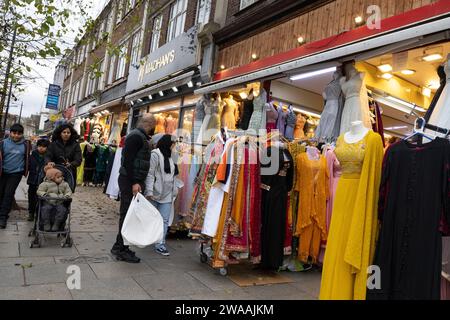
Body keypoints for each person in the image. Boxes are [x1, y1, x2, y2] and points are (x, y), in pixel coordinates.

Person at [111, 114, 156, 263]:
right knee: (127, 215)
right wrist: (135, 182)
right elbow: (128, 162)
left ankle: (120, 245)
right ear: (148, 123)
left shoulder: (139, 136)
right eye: (153, 124)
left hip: (132, 181)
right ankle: (121, 249)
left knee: (130, 215)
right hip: (129, 181)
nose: (154, 127)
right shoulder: (136, 137)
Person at [145, 134, 179, 256]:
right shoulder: (155, 154)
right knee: (150, 218)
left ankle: (160, 244)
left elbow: (174, 175)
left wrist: (175, 191)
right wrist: (149, 191)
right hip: (154, 192)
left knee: (164, 220)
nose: (174, 146)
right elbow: (150, 173)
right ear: (167, 143)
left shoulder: (173, 156)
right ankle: (146, 237)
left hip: (167, 194)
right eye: (173, 143)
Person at [0, 124, 31, 229]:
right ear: (10, 133)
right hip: (2, 172)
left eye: (19, 133)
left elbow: (28, 158)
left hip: (16, 173)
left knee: (8, 194)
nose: (16, 136)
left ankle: (3, 217)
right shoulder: (3, 143)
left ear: (22, 134)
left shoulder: (25, 145)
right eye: (14, 133)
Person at [27, 139, 50, 221]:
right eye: (39, 146)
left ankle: (39, 213)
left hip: (43, 181)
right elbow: (29, 165)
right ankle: (31, 213)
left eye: (44, 147)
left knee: (40, 198)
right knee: (31, 197)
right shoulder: (33, 154)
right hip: (32, 180)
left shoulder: (48, 156)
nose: (41, 148)